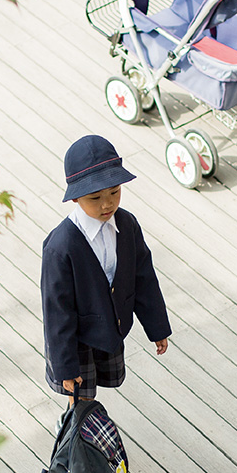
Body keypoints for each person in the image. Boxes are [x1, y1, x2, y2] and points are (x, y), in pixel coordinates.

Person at [41, 135, 171, 412]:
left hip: (111, 326)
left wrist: (156, 327)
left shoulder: (127, 224)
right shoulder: (60, 247)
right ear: (75, 197)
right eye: (95, 198)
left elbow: (143, 278)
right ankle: (76, 434)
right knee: (79, 395)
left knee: (101, 380)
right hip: (76, 338)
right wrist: (65, 365)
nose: (107, 204)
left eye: (114, 192)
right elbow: (56, 311)